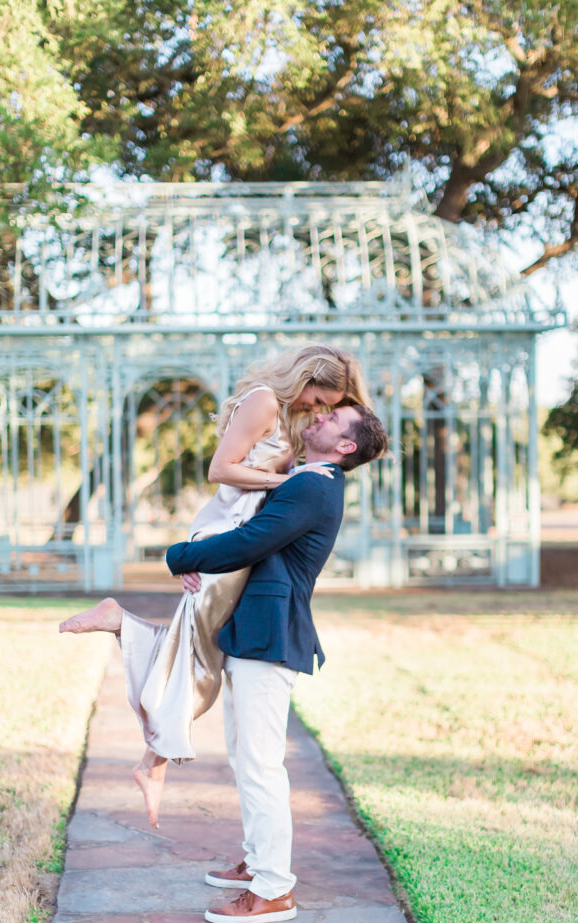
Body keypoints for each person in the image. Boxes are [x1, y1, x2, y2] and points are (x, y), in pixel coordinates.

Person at [59, 345, 372, 828]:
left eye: (327, 409)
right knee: (200, 662)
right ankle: (152, 759)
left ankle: (150, 750)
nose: (317, 411)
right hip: (230, 529)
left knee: (199, 651)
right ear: (305, 378)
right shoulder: (266, 400)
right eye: (318, 400)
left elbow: (324, 452)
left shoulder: (285, 415)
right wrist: (285, 484)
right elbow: (220, 471)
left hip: (236, 532)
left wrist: (293, 478)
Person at [166, 403, 389, 923]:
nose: (320, 416)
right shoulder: (297, 477)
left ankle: (273, 889)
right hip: (254, 630)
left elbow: (251, 542)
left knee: (262, 763)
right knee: (247, 758)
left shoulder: (315, 486)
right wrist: (202, 556)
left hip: (272, 634)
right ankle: (257, 861)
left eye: (334, 417)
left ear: (346, 446)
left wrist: (181, 556)